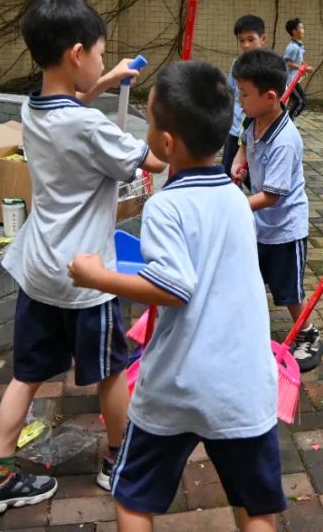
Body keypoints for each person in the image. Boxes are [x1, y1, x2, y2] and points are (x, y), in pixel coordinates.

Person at [0, 0, 166, 518]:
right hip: (85, 277)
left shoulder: (32, 107)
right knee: (112, 371)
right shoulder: (93, 128)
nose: (102, 61)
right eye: (99, 54)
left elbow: (71, 107)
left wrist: (104, 80)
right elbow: (157, 157)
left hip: (38, 269)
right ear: (77, 52)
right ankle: (118, 461)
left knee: (26, 374)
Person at [69, 61, 285, 532]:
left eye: (148, 120)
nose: (145, 129)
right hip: (243, 387)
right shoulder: (234, 198)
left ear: (166, 143)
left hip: (177, 385)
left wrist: (98, 276)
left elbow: (173, 286)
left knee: (133, 498)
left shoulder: (166, 204)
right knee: (258, 510)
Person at [231, 49, 322, 372]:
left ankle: (308, 334)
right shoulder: (253, 119)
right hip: (260, 224)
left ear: (270, 96)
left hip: (285, 227)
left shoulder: (286, 140)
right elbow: (244, 144)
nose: (239, 100)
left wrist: (234, 205)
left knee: (288, 289)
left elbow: (270, 196)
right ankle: (247, 326)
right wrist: (238, 165)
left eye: (244, 94)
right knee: (249, 276)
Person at [222, 15, 267, 177]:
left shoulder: (268, 68)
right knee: (228, 172)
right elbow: (230, 92)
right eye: (241, 40)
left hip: (256, 133)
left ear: (262, 39)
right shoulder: (237, 64)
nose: (246, 45)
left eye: (251, 39)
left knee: (254, 175)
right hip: (234, 131)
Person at [283, 17, 308, 118]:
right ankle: (289, 121)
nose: (303, 30)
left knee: (300, 101)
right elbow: (288, 63)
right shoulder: (292, 47)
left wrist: (303, 65)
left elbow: (297, 60)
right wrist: (304, 69)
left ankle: (288, 121)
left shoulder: (298, 46)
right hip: (289, 80)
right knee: (300, 101)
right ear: (294, 31)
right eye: (301, 28)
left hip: (294, 79)